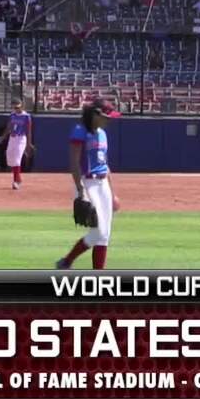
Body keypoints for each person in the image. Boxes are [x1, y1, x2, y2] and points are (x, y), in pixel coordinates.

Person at [56, 99, 122, 270]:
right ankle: (67, 260)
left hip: (103, 184)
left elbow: (105, 165)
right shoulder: (80, 131)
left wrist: (113, 194)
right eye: (107, 116)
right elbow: (74, 163)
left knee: (104, 234)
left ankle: (87, 271)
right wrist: (80, 190)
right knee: (98, 232)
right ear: (96, 114)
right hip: (87, 183)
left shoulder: (102, 133)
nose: (109, 120)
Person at [0, 99, 32, 191]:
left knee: (17, 159)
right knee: (10, 158)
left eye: (17, 106)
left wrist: (29, 144)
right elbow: (9, 126)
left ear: (22, 105)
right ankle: (18, 178)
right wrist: (3, 136)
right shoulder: (12, 115)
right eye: (14, 107)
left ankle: (16, 181)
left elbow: (29, 131)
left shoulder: (26, 116)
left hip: (21, 138)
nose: (16, 108)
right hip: (12, 138)